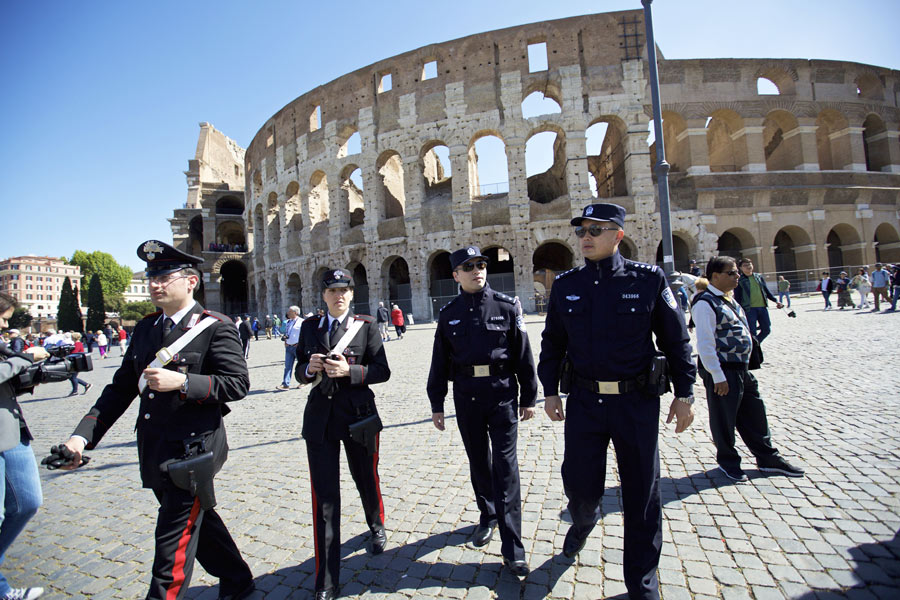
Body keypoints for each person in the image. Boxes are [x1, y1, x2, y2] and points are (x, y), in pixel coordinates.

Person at [56, 241, 254, 600]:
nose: (154, 285)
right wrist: (80, 438)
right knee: (197, 520)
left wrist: (184, 382)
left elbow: (238, 384)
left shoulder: (215, 327)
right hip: (155, 446)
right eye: (152, 278)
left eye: (164, 277)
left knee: (171, 543)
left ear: (191, 281)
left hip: (194, 449)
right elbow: (120, 389)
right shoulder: (148, 327)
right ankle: (238, 578)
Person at [538, 203, 696, 600]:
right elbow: (552, 342)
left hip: (635, 403)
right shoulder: (567, 284)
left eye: (596, 229)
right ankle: (584, 519)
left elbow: (676, 339)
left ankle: (642, 583)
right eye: (581, 230)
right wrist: (550, 390)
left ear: (618, 235)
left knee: (642, 494)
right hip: (585, 402)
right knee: (579, 485)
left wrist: (685, 394)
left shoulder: (648, 279)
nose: (586, 237)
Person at [427, 246, 538, 578]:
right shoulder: (448, 314)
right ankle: (487, 515)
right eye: (468, 267)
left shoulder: (506, 306)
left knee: (506, 467)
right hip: (467, 397)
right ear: (456, 275)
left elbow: (523, 354)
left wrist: (529, 397)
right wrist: (436, 403)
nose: (477, 270)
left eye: (480, 265)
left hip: (502, 394)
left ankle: (513, 548)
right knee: (478, 460)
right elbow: (439, 361)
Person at [293, 269, 390, 600]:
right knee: (324, 499)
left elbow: (382, 370)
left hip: (358, 416)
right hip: (320, 420)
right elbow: (299, 370)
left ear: (351, 294)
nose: (338, 296)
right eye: (332, 290)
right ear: (323, 295)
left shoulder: (366, 326)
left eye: (344, 290)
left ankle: (376, 524)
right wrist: (308, 369)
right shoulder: (310, 328)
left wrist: (351, 371)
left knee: (366, 477)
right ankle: (326, 581)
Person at [692, 256, 804, 483]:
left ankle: (767, 457)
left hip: (741, 369)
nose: (737, 276)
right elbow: (705, 343)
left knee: (755, 413)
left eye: (736, 272)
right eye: (731, 273)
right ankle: (728, 462)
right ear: (715, 276)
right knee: (724, 419)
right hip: (723, 371)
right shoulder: (705, 303)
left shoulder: (729, 299)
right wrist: (717, 376)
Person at [0, 292, 49, 600]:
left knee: (27, 502)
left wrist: (29, 377)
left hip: (12, 430)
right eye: (3, 318)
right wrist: (25, 358)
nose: (6, 325)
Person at [733, 258, 782, 344]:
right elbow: (737, 297)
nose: (748, 266)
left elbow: (766, 290)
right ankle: (754, 348)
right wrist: (738, 310)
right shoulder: (740, 280)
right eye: (745, 265)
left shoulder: (758, 277)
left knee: (766, 329)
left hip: (762, 308)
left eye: (749, 264)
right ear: (740, 268)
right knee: (752, 332)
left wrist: (776, 301)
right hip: (749, 309)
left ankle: (755, 346)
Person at [276, 306, 301, 390]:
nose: (288, 313)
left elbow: (305, 334)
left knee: (300, 365)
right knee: (287, 366)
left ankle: (303, 381)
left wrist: (300, 343)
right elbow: (287, 332)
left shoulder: (301, 322)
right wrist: (285, 341)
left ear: (295, 312)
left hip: (297, 347)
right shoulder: (288, 322)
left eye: (290, 312)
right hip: (289, 347)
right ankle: (285, 384)